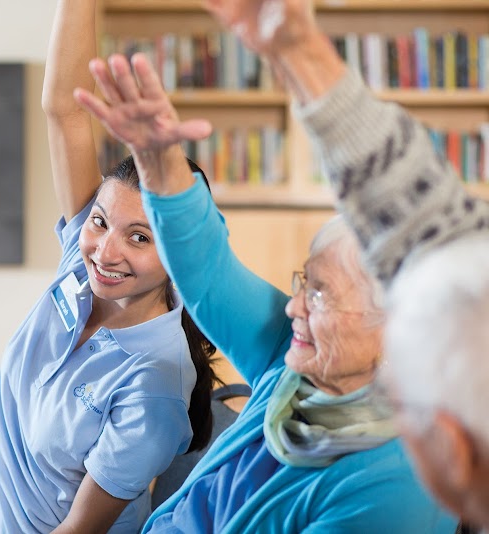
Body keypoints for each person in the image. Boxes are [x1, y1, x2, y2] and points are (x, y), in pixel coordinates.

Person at [74, 51, 457, 531]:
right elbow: (207, 268)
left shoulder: (395, 487)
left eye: (321, 296)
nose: (294, 306)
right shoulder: (299, 359)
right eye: (305, 283)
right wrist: (158, 158)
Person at [200, 1, 489, 530]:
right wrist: (300, 51)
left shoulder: (391, 497)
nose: (295, 306)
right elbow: (429, 218)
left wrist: (302, 52)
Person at [0, 0, 217, 532]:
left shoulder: (154, 384)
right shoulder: (80, 268)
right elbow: (64, 107)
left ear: (181, 255)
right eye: (100, 221)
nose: (105, 251)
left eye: (140, 237)